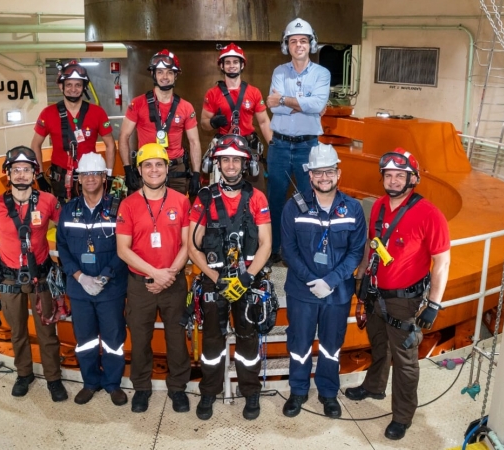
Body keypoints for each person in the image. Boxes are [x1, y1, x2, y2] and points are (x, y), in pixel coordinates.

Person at [345, 148, 451, 440]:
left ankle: (403, 415)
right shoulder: (378, 206)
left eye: (399, 176)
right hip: (376, 291)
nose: (392, 181)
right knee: (379, 343)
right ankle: (375, 386)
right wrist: (362, 276)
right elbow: (372, 244)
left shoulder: (430, 214)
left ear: (412, 179)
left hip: (405, 300)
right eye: (388, 175)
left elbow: (442, 262)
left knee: (404, 359)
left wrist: (434, 304)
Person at [0, 146, 68, 402]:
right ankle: (24, 374)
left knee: (47, 331)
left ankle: (53, 378)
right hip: (7, 278)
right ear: (8, 173)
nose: (21, 175)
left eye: (26, 170)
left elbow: (67, 229)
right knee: (17, 331)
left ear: (34, 173)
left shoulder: (48, 201)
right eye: (16, 170)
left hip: (42, 276)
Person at [188, 135, 272, 421]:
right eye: (226, 159)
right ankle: (209, 391)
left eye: (236, 160)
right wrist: (215, 277)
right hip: (215, 282)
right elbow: (192, 245)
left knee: (248, 340)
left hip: (247, 283)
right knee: (212, 341)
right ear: (218, 163)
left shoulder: (257, 198)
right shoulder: (204, 197)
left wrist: (247, 278)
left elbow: (266, 244)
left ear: (244, 164)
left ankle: (251, 393)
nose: (231, 165)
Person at [280, 143, 366, 419]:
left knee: (331, 345)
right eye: (318, 173)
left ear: (338, 173)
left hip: (337, 294)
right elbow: (288, 251)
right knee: (299, 343)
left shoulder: (353, 209)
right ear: (310, 175)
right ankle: (298, 390)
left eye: (329, 172)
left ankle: (328, 392)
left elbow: (356, 252)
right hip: (301, 292)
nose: (324, 177)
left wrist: (330, 281)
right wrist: (311, 280)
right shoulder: (293, 207)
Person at [115, 143, 192, 413]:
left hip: (174, 282)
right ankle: (142, 388)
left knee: (176, 337)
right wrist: (155, 273)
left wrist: (169, 274)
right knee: (140, 339)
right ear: (139, 170)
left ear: (167, 169)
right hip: (140, 285)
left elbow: (188, 245)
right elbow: (122, 249)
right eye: (148, 165)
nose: (154, 169)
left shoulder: (181, 201)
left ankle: (178, 388)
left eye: (159, 164)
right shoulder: (128, 204)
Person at [56, 152, 128, 406]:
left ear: (104, 178)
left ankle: (112, 383)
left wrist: (105, 276)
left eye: (95, 174)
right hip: (79, 289)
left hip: (111, 288)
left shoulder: (119, 208)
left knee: (113, 339)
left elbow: (125, 247)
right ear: (78, 178)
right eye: (85, 174)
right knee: (84, 338)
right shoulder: (69, 210)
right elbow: (62, 247)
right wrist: (79, 276)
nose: (90, 179)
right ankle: (90, 382)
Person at [266, 18, 331, 264]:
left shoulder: (321, 73)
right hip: (280, 145)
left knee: (307, 199)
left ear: (310, 44)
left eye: (303, 40)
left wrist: (285, 100)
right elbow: (275, 108)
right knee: (275, 199)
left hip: (307, 146)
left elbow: (317, 105)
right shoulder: (279, 72)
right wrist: (305, 105)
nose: (298, 45)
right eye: (293, 41)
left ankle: (302, 250)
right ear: (287, 46)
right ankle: (273, 249)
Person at [118, 49, 202, 199]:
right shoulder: (137, 104)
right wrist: (127, 169)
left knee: (176, 214)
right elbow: (124, 136)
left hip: (176, 168)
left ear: (176, 76)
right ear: (153, 74)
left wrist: (196, 173)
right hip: (148, 166)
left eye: (169, 72)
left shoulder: (186, 107)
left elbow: (194, 142)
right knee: (145, 215)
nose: (165, 77)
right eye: (160, 72)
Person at [31, 60, 116, 203]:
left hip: (91, 178)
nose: (73, 89)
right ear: (61, 86)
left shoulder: (97, 113)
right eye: (69, 85)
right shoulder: (48, 113)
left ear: (84, 87)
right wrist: (39, 175)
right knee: (62, 220)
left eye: (78, 85)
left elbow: (111, 145)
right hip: (60, 181)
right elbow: (35, 145)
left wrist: (109, 175)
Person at [200, 43, 273, 187]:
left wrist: (274, 147)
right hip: (224, 148)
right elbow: (203, 123)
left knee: (255, 190)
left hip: (248, 146)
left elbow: (264, 122)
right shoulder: (212, 93)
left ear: (242, 65)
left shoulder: (254, 92)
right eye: (227, 62)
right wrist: (213, 123)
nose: (231, 65)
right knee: (222, 192)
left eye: (235, 62)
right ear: (221, 66)